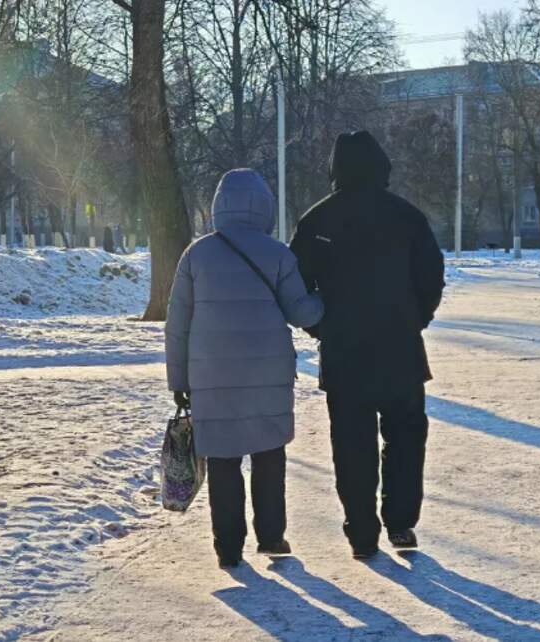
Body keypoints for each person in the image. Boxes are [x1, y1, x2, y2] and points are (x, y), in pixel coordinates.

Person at [290, 131, 445, 560]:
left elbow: (296, 285)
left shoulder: (317, 220)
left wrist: (322, 327)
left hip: (345, 352)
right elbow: (431, 277)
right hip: (401, 349)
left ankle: (361, 532)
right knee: (406, 439)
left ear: (335, 168)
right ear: (381, 165)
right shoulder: (407, 217)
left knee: (351, 445)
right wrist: (415, 319)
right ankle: (401, 522)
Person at [165, 168, 324, 569]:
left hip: (211, 376)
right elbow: (301, 312)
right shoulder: (278, 254)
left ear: (219, 206)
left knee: (223, 460)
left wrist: (179, 380)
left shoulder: (196, 255)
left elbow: (178, 323)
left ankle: (228, 547)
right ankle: (271, 536)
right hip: (267, 375)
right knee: (269, 455)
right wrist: (325, 299)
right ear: (264, 208)